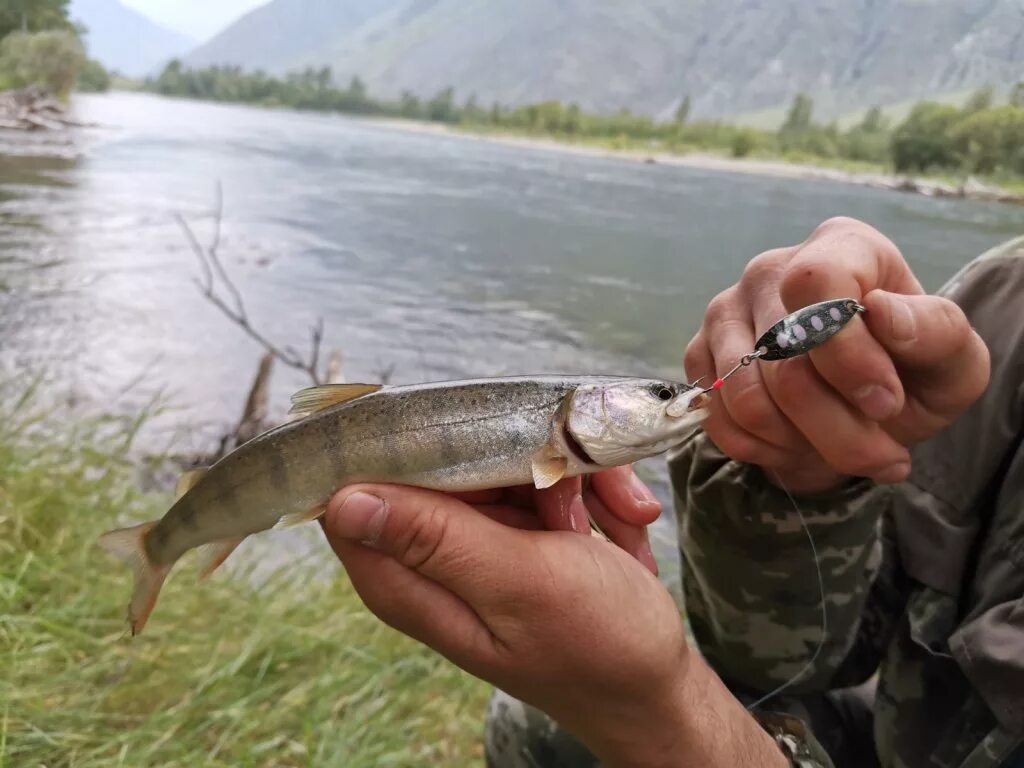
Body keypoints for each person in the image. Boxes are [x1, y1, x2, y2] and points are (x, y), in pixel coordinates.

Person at [320, 217, 1023, 767]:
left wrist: (662, 721)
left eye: (663, 396)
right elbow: (776, 661)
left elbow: (689, 702)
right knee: (536, 729)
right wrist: (803, 479)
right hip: (900, 729)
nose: (679, 398)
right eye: (660, 397)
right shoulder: (1000, 305)